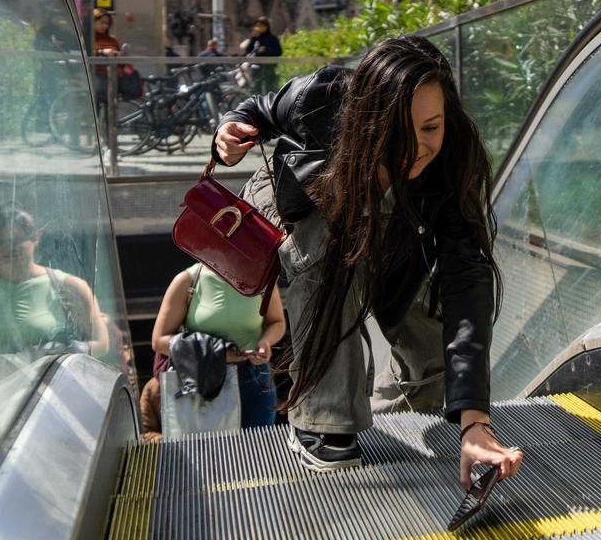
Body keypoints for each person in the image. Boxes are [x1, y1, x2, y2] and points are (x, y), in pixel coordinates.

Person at [213, 36, 523, 488]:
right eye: (398, 130)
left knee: (428, 310)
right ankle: (324, 424)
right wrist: (231, 127)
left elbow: (466, 280)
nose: (416, 147)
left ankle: (411, 401)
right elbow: (258, 108)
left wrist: (475, 420)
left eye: (431, 128)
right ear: (366, 115)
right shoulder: (321, 97)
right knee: (330, 253)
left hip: (392, 226)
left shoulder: (453, 160)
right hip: (303, 206)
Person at [0, 205, 109, 357]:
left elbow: (102, 344)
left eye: (15, 239)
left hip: (50, 383)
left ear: (37, 238)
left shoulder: (71, 286)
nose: (7, 247)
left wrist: (58, 352)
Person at [151, 262, 286, 430]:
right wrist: (217, 353)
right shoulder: (187, 281)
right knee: (208, 453)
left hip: (255, 379)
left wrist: (266, 341)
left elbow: (277, 322)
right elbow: (159, 341)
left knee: (257, 452)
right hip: (204, 383)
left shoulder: (262, 279)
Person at [240, 18, 281, 94]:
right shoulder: (256, 38)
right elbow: (248, 50)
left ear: (266, 26)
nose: (258, 27)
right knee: (256, 89)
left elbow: (278, 52)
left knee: (270, 89)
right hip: (257, 68)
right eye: (257, 25)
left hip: (270, 68)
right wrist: (252, 38)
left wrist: (265, 50)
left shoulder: (273, 38)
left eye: (260, 25)